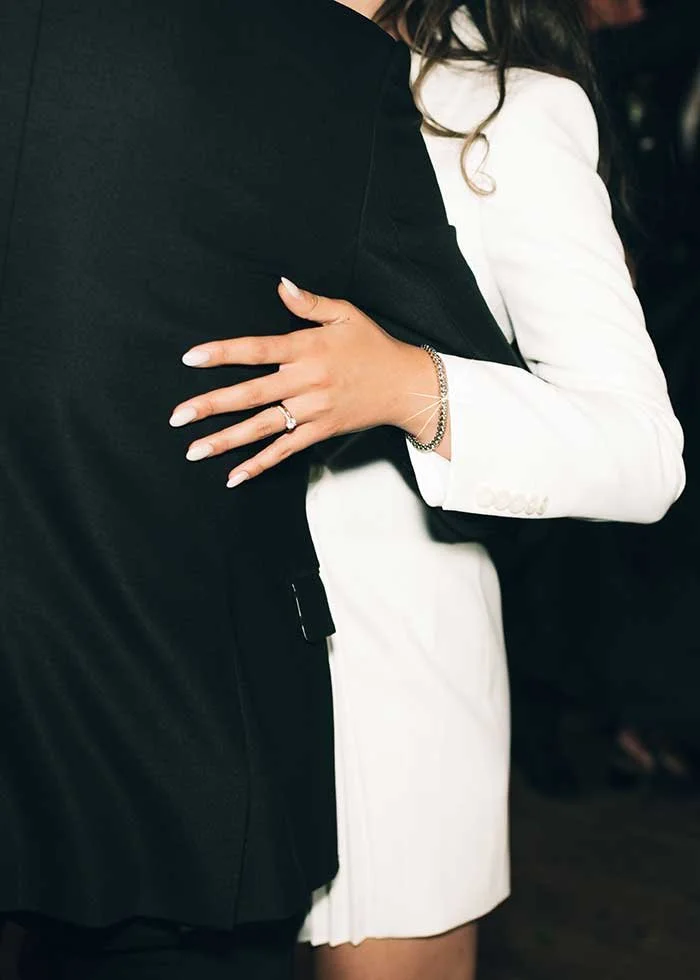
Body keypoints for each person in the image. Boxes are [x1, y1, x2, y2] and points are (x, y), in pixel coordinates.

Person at [0, 1, 529, 977]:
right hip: (162, 739)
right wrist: (412, 382)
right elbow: (480, 387)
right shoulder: (317, 63)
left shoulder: (484, 98)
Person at [172, 1, 685, 978]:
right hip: (174, 636)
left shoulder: (500, 109)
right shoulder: (186, 67)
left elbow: (640, 450)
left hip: (386, 654)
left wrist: (409, 385)